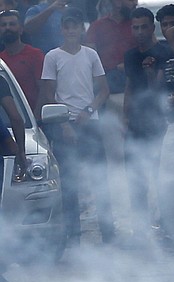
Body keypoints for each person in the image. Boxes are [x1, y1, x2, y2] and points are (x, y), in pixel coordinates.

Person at [40, 7, 115, 245]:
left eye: (75, 27)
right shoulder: (52, 57)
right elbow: (49, 94)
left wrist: (89, 110)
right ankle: (73, 235)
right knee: (70, 183)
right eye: (67, 26)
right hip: (64, 124)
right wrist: (64, 125)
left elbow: (103, 90)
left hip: (89, 122)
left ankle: (108, 232)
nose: (71, 31)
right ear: (62, 29)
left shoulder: (91, 55)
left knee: (100, 178)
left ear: (81, 29)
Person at [122, 6, 174, 245]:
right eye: (135, 27)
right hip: (136, 125)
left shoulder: (164, 52)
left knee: (160, 177)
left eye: (144, 27)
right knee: (136, 179)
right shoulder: (131, 55)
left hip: (158, 124)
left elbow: (158, 91)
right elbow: (131, 86)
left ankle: (165, 226)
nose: (139, 31)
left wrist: (152, 73)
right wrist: (125, 116)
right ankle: (140, 229)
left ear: (152, 28)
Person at [85, 0, 137, 94]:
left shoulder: (138, 26)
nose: (135, 3)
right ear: (117, 2)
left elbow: (152, 50)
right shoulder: (96, 26)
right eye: (131, 0)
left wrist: (130, 65)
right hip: (106, 78)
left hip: (134, 77)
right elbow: (89, 58)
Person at [0, 8, 44, 111]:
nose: (8, 28)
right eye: (3, 25)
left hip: (31, 120)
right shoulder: (1, 61)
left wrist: (37, 118)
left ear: (20, 30)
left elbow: (43, 90)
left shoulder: (35, 55)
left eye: (12, 24)